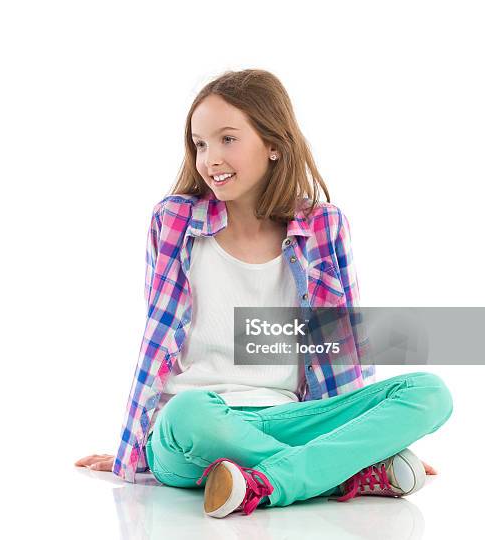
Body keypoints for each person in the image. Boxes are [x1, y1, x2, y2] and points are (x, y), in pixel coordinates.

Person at [75, 69, 453, 518]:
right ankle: (339, 472)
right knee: (188, 413)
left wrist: (366, 429)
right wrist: (130, 450)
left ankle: (267, 480)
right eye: (200, 144)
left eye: (227, 139)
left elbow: (341, 347)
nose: (210, 158)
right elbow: (156, 345)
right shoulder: (174, 222)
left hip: (290, 420)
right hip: (195, 429)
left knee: (430, 392)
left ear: (274, 144)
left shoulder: (322, 227)